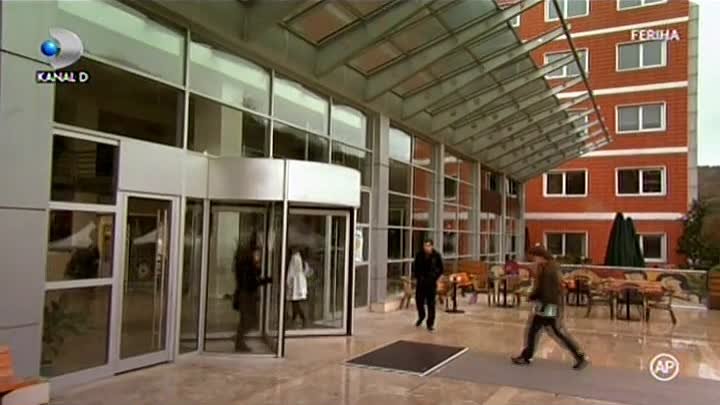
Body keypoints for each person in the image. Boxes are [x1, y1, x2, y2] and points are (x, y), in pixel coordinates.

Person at [512, 245, 588, 370]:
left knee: (556, 332)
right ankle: (526, 356)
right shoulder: (549, 267)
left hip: (549, 305)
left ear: (540, 256)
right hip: (549, 304)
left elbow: (546, 290)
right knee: (536, 330)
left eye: (534, 258)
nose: (533, 261)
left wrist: (534, 298)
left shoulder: (548, 270)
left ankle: (580, 356)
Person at [233, 244, 271, 352]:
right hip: (247, 296)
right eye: (257, 254)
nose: (259, 256)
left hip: (246, 295)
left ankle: (238, 340)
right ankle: (239, 340)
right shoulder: (247, 267)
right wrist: (265, 280)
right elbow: (251, 283)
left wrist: (257, 267)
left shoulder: (248, 266)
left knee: (246, 320)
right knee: (249, 320)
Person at [412, 239, 444, 331]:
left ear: (432, 246)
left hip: (431, 282)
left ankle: (430, 323)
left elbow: (441, 269)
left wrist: (436, 278)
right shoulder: (419, 255)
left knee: (431, 304)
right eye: (425, 246)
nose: (426, 248)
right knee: (419, 301)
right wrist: (417, 277)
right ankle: (421, 316)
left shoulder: (436, 256)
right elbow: (415, 268)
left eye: (428, 246)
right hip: (421, 282)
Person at [286, 248, 308, 328]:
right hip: (300, 282)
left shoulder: (294, 257)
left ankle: (302, 318)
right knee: (295, 302)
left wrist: (288, 282)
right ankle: (294, 318)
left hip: (295, 283)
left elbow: (291, 271)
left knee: (295, 302)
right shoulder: (301, 258)